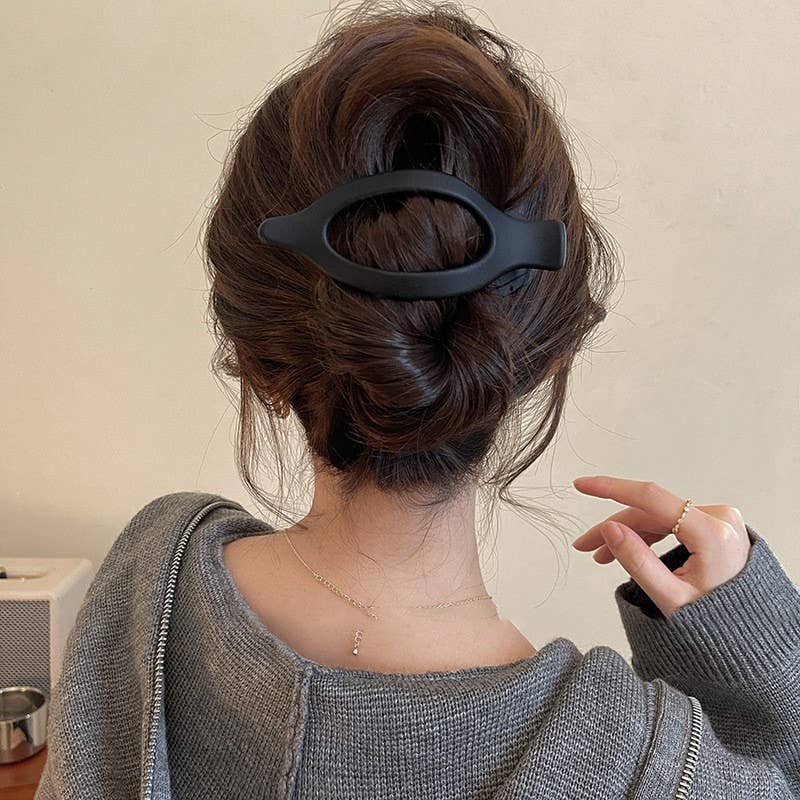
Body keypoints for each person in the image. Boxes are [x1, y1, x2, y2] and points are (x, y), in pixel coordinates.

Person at [34, 2, 798, 799]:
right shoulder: (644, 768)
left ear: (256, 358)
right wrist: (756, 660)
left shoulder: (149, 591)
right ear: (545, 360)